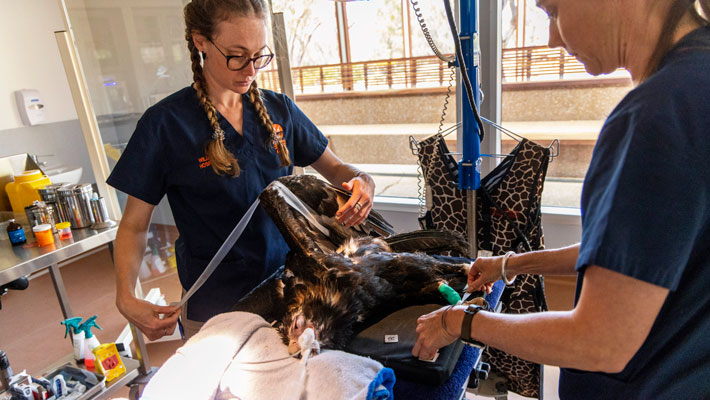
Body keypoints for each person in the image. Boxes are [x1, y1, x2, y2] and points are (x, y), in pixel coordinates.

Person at [412, 0, 710, 398]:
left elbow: (598, 341)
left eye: (552, 11)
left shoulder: (655, 117)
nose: (552, 37)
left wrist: (458, 322)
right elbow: (634, 255)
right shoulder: (697, 85)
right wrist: (510, 264)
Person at [108, 0, 375, 341]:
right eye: (236, 55)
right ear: (201, 41)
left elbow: (336, 168)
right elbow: (133, 225)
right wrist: (125, 297)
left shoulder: (280, 110)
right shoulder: (165, 125)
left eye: (259, 55)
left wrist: (362, 181)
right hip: (217, 307)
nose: (250, 69)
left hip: (291, 294)